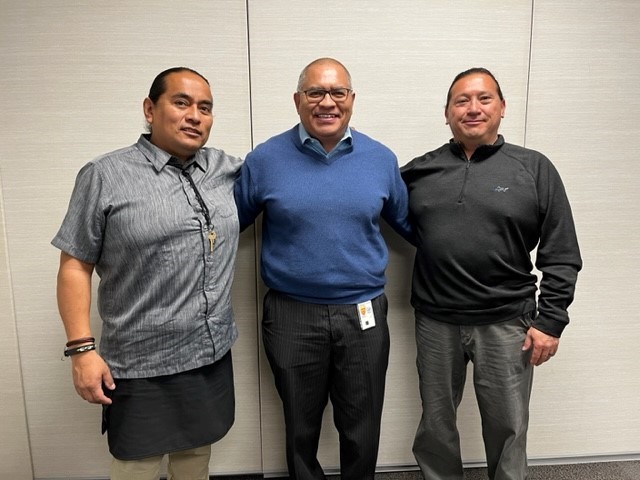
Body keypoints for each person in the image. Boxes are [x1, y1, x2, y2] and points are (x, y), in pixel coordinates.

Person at [52, 67, 242, 480]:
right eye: (181, 102)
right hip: (140, 363)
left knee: (195, 459)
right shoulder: (105, 175)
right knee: (135, 466)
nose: (195, 115)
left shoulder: (225, 170)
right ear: (150, 109)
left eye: (205, 108)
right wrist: (81, 350)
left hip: (208, 355)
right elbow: (75, 265)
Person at [234, 57, 413, 479]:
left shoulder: (381, 159)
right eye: (315, 93)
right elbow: (228, 224)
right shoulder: (264, 160)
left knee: (362, 425)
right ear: (298, 100)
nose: (327, 102)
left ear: (351, 100)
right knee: (300, 424)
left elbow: (412, 226)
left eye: (338, 93)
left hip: (363, 313)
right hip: (291, 313)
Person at [401, 67, 582, 480]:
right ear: (446, 113)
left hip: (507, 323)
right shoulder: (418, 172)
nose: (472, 108)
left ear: (502, 108)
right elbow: (385, 214)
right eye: (461, 100)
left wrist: (551, 320)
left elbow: (562, 250)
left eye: (484, 99)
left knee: (507, 426)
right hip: (436, 321)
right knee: (436, 423)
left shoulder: (534, 168)